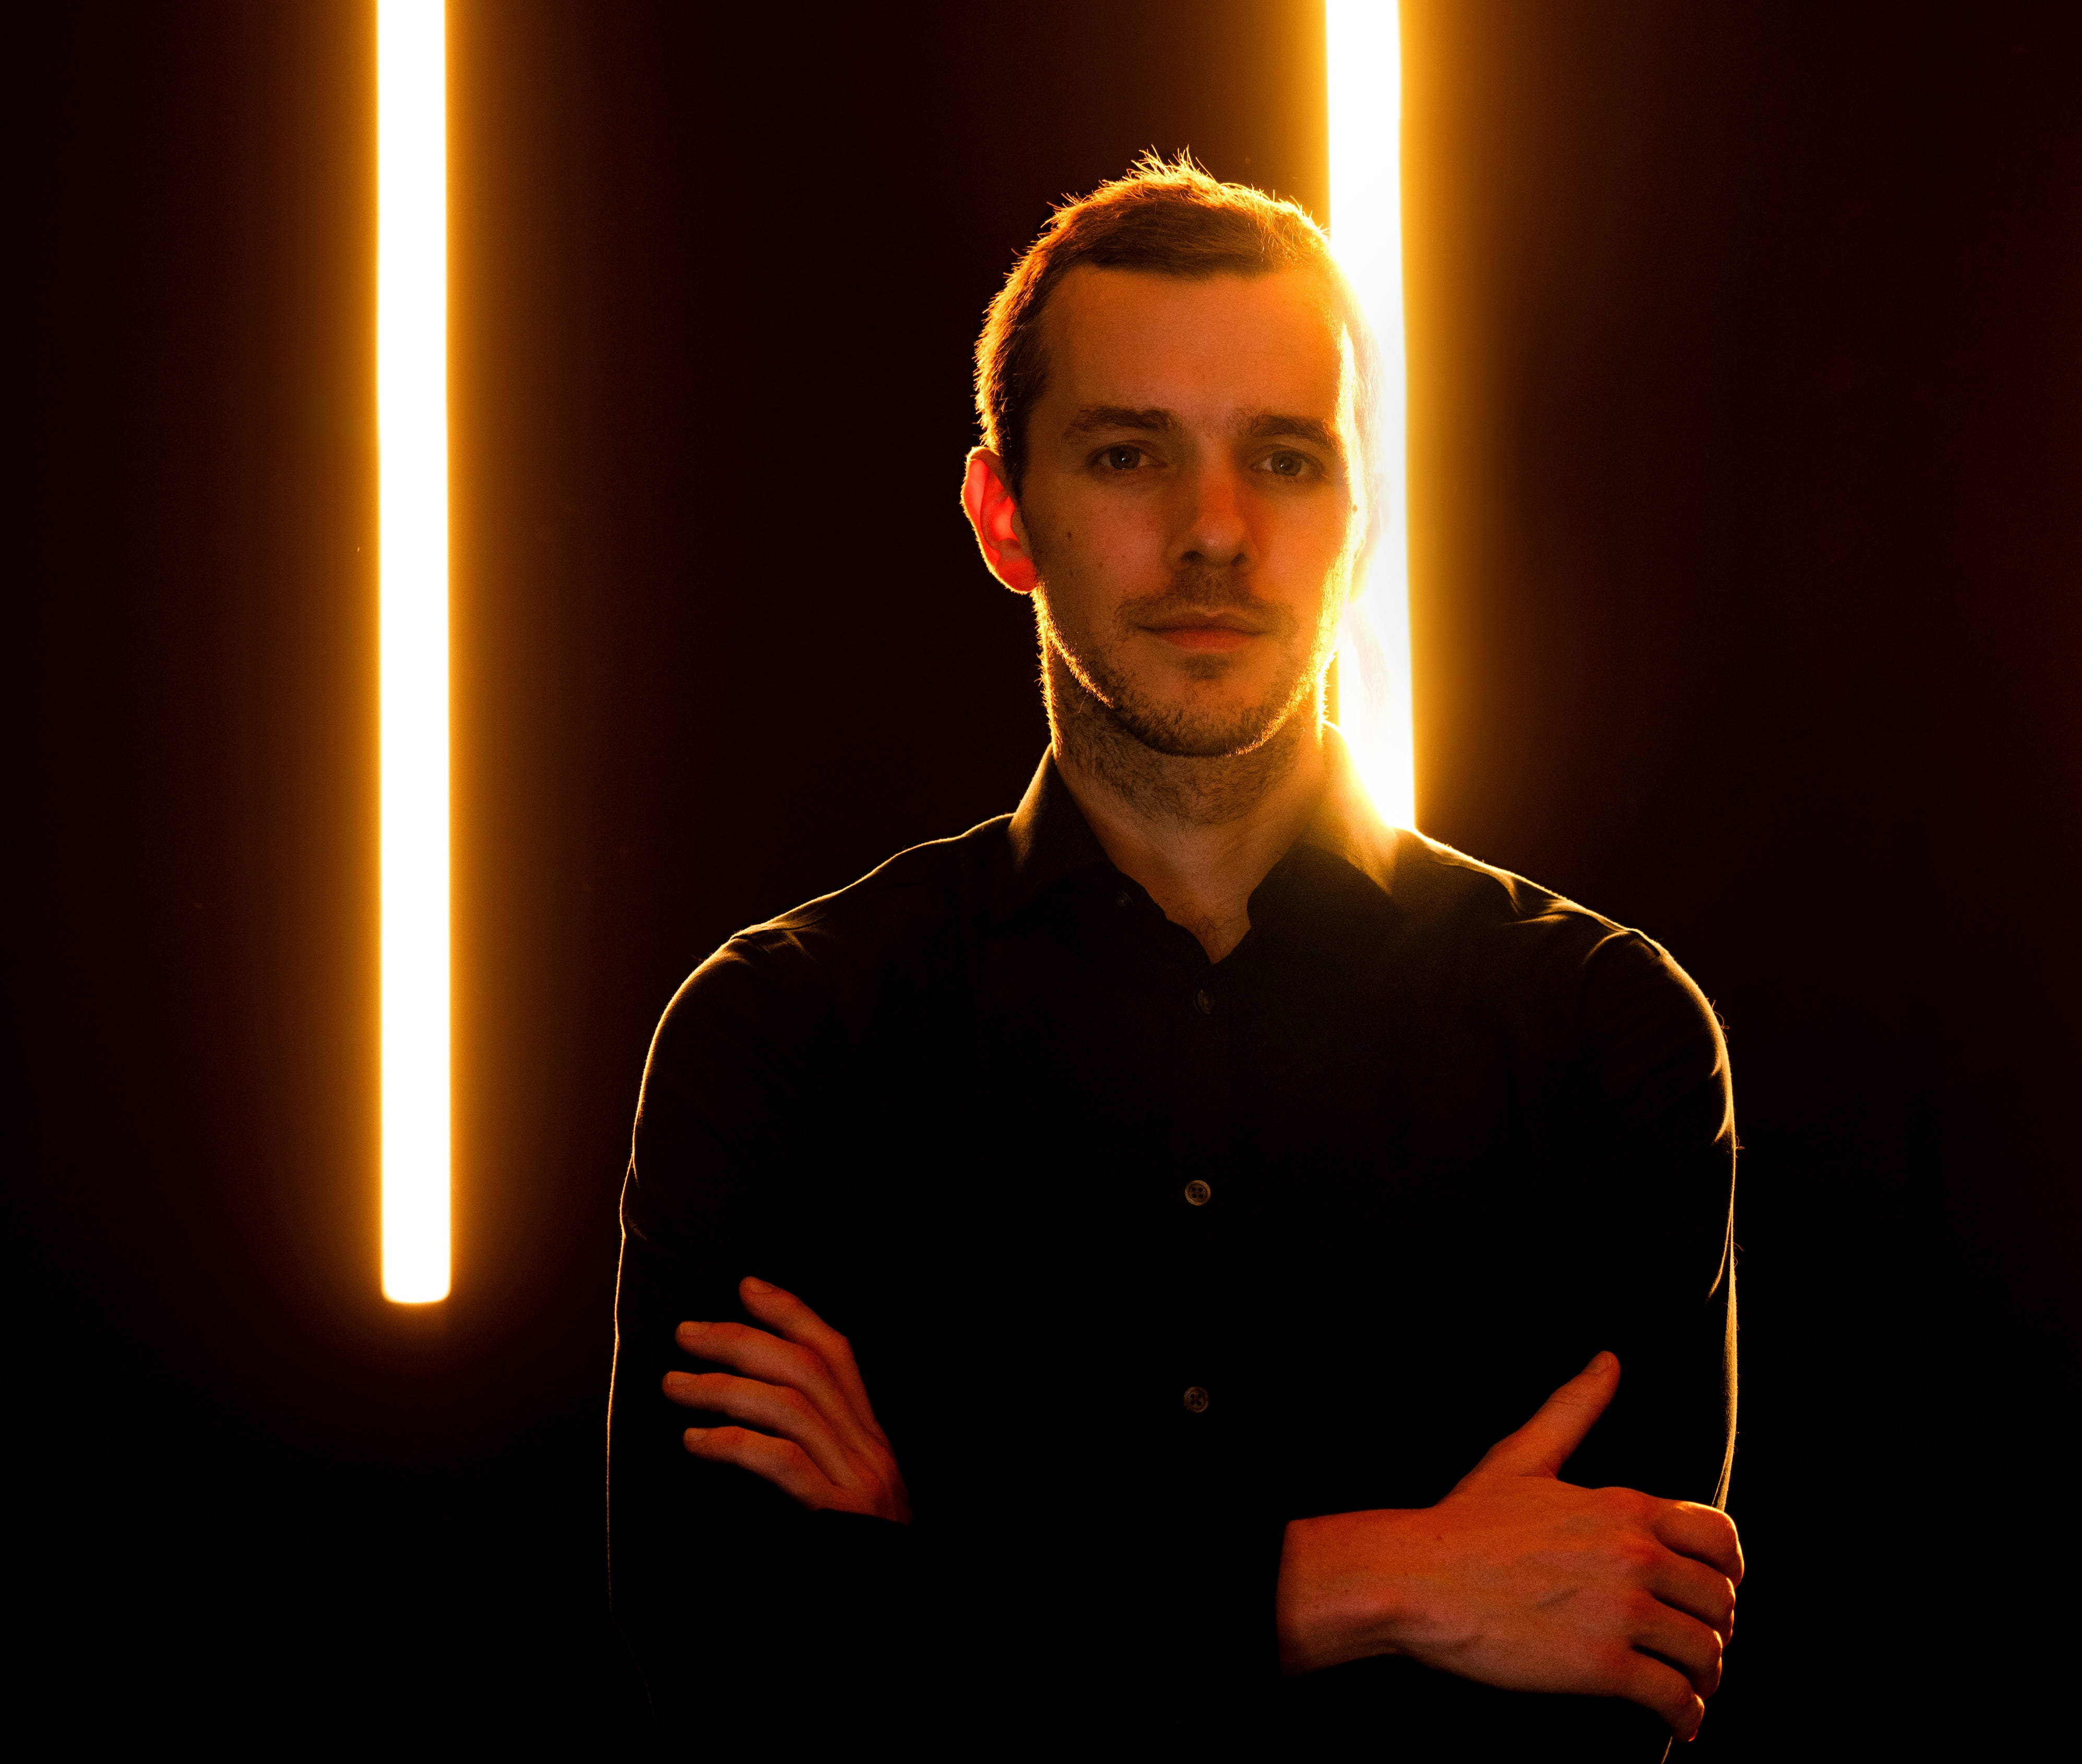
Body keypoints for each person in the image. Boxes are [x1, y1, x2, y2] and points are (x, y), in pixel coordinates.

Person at [606, 154, 1741, 1756]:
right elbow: (741, 1674)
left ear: (1360, 517)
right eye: (1130, 453)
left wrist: (939, 1582)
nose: (1216, 530)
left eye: (1284, 457)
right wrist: (1381, 1582)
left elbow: (1604, 1691)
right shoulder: (787, 1036)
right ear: (1005, 516)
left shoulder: (1603, 1036)